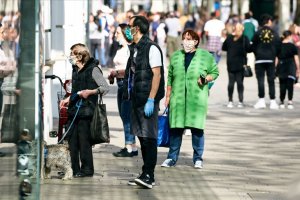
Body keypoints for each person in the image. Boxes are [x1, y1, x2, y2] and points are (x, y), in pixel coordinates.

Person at [161, 29, 219, 169]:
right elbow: (170, 78)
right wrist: (168, 96)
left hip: (196, 100)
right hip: (178, 99)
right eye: (185, 39)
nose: (187, 42)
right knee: (175, 129)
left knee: (197, 129)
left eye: (190, 39)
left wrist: (206, 79)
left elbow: (215, 72)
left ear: (196, 41)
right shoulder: (175, 56)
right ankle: (171, 158)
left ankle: (198, 158)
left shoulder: (205, 56)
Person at [123, 15, 164, 189]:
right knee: (141, 136)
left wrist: (151, 99)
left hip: (147, 99)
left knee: (149, 137)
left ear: (137, 28)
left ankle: (149, 175)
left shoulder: (151, 48)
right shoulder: (135, 48)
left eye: (129, 26)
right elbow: (135, 71)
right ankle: (145, 173)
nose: (127, 29)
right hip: (135, 99)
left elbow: (157, 74)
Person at [59, 43, 109, 178]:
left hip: (87, 110)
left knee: (84, 141)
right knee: (72, 141)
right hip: (74, 109)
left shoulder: (93, 69)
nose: (70, 57)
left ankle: (87, 170)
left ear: (79, 56)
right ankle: (74, 169)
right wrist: (68, 99)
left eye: (72, 54)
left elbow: (105, 87)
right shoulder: (75, 69)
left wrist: (90, 92)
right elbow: (76, 90)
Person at [109, 23, 138, 157]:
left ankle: (129, 146)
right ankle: (132, 145)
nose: (115, 35)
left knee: (127, 117)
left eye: (118, 33)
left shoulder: (130, 50)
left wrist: (116, 72)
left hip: (127, 85)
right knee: (124, 115)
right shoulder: (120, 49)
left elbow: (131, 70)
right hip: (120, 84)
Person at [251, 14, 281, 109]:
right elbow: (279, 46)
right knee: (271, 80)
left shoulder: (257, 32)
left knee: (260, 80)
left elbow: (253, 46)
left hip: (259, 59)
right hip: (271, 59)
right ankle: (272, 101)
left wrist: (257, 54)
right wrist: (276, 56)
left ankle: (261, 100)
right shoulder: (275, 33)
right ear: (268, 21)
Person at [222, 23, 251, 108]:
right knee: (240, 83)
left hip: (230, 63)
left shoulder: (229, 38)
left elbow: (224, 48)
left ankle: (230, 101)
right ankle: (240, 102)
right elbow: (249, 49)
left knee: (231, 82)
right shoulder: (244, 38)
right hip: (241, 63)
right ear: (242, 29)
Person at [276, 30, 300, 109]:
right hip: (291, 66)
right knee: (290, 85)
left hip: (281, 66)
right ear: (289, 36)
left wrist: (275, 68)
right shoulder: (293, 46)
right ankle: (290, 101)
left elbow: (276, 59)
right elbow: (296, 59)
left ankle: (282, 101)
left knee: (282, 84)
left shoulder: (279, 46)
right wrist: (298, 69)